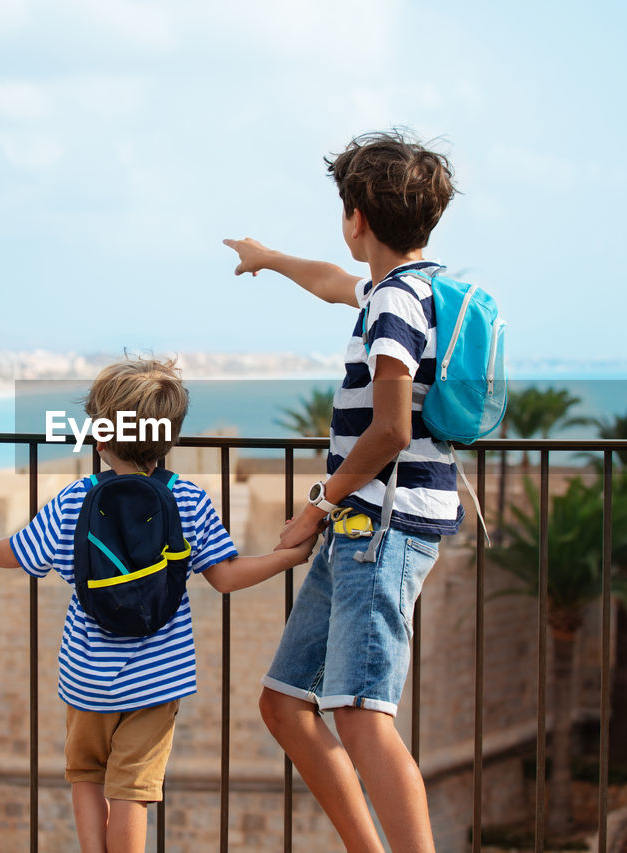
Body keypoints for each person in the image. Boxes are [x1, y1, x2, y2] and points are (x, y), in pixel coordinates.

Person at [0, 356, 316, 853]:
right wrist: (286, 558)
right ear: (167, 442)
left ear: (101, 438)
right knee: (132, 792)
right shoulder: (187, 499)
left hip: (85, 677)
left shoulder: (74, 501)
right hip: (158, 678)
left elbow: (15, 554)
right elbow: (226, 577)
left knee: (85, 775)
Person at [223, 129, 463, 853]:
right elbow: (334, 280)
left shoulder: (395, 307)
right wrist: (268, 259)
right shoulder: (412, 289)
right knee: (287, 704)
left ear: (358, 213)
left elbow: (389, 430)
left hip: (378, 529)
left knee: (362, 714)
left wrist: (317, 504)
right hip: (363, 528)